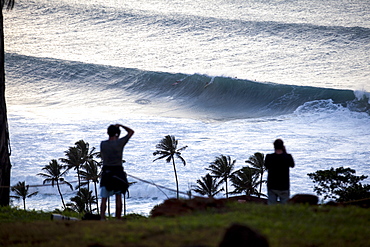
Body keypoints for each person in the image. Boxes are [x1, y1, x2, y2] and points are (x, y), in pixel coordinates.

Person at [100, 124, 134, 220]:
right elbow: (131, 132)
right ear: (117, 134)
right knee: (118, 196)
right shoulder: (119, 143)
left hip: (106, 171)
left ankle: (102, 218)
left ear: (107, 133)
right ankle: (118, 218)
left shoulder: (103, 144)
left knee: (104, 198)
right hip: (118, 171)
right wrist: (121, 126)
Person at [264, 139, 295, 205]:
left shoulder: (269, 157)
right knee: (285, 207)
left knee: (271, 206)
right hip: (284, 185)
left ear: (274, 146)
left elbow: (266, 166)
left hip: (272, 185)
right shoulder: (287, 157)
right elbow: (292, 165)